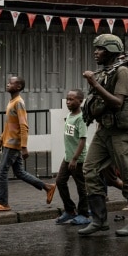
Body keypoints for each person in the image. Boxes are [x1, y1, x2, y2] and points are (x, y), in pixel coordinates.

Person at [78, 34, 128, 236]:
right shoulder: (105, 72)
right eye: (96, 48)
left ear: (110, 51)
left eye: (100, 49)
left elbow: (117, 102)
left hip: (121, 132)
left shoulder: (122, 72)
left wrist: (94, 83)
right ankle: (99, 220)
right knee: (89, 169)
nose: (96, 52)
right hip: (104, 130)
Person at [0, 76, 56, 212]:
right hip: (9, 142)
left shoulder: (18, 102)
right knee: (19, 172)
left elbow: (23, 126)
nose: (7, 84)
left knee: (2, 173)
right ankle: (47, 187)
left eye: (11, 83)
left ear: (18, 87)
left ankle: (3, 203)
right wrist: (0, 140)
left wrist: (24, 147)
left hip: (13, 144)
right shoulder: (12, 102)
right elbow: (9, 126)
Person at [54, 88, 90, 226]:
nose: (68, 102)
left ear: (80, 101)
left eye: (71, 99)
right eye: (67, 99)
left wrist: (75, 158)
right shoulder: (70, 115)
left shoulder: (81, 118)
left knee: (82, 187)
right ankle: (70, 210)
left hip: (78, 159)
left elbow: (82, 140)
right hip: (68, 157)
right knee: (60, 181)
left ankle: (84, 214)